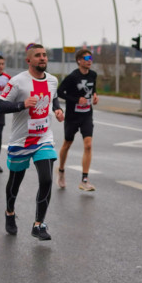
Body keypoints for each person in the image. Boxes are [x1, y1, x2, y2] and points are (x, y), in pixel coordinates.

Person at [0, 43, 64, 240]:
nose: (43, 58)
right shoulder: (18, 82)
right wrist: (21, 104)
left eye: (44, 55)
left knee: (47, 179)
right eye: (38, 55)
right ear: (29, 60)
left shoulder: (52, 81)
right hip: (21, 140)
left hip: (44, 138)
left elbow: (54, 98)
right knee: (15, 182)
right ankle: (9, 212)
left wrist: (58, 110)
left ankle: (38, 224)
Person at [56, 48, 98, 191]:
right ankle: (61, 171)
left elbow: (93, 90)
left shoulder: (93, 75)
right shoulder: (72, 77)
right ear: (79, 61)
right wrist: (75, 100)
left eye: (91, 58)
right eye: (87, 59)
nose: (90, 61)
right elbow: (60, 92)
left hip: (86, 115)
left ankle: (84, 180)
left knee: (88, 145)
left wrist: (95, 96)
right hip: (73, 116)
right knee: (67, 143)